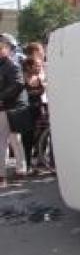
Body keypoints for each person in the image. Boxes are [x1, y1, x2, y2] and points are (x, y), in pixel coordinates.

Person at [0, 35, 28, 187]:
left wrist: (1, 97)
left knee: (13, 141)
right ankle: (11, 172)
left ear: (8, 48)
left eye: (2, 46)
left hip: (11, 108)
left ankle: (19, 170)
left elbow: (18, 84)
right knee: (9, 141)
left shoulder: (12, 65)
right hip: (5, 108)